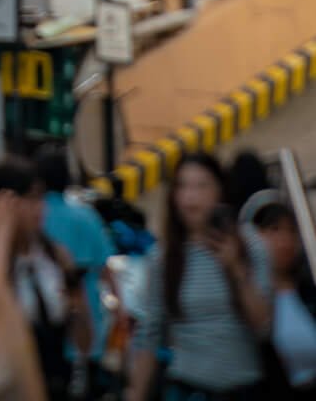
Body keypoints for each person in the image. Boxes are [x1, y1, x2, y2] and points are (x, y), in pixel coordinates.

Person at [127, 150, 271, 401]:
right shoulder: (163, 257)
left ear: (220, 191)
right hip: (188, 388)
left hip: (244, 388)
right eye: (183, 186)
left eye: (202, 186)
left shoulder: (249, 244)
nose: (191, 197)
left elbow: (264, 326)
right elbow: (150, 334)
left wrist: (235, 269)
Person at [0, 158, 89, 401]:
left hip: (54, 384)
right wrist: (1, 234)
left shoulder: (53, 256)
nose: (39, 208)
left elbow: (83, 339)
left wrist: (75, 292)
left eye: (40, 198)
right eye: (29, 199)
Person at [37, 148, 116, 396]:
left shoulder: (34, 218)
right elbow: (107, 269)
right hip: (88, 328)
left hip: (45, 336)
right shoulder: (87, 216)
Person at [253, 200, 316, 391]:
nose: (284, 240)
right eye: (274, 229)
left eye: (291, 231)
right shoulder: (251, 297)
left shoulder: (309, 291)